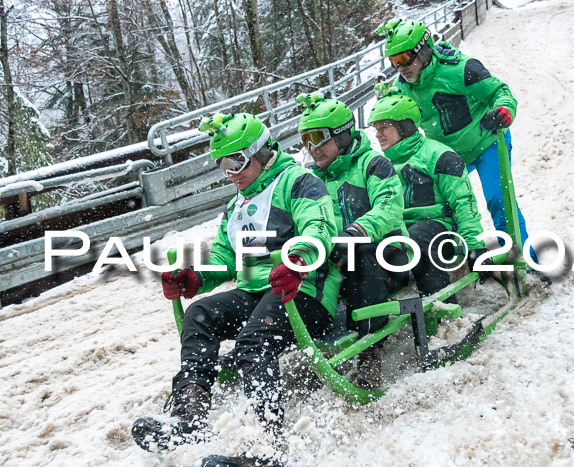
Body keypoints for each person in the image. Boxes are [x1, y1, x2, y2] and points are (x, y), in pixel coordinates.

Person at [131, 112, 341, 452]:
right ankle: (190, 417)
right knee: (200, 314)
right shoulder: (235, 207)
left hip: (303, 293)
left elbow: (319, 229)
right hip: (256, 293)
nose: (230, 174)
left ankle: (269, 439)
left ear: (260, 152)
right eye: (221, 166)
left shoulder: (298, 182)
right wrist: (195, 276)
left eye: (236, 162)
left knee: (252, 340)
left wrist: (297, 260)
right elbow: (224, 260)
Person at [376, 19, 538, 262]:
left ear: (424, 49)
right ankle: (456, 257)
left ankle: (527, 261)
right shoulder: (401, 89)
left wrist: (504, 109)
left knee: (498, 200)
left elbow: (499, 91)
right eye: (394, 62)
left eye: (405, 58)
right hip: (446, 157)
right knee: (442, 208)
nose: (401, 68)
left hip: (486, 144)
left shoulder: (462, 69)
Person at [295, 93, 410, 389]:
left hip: (389, 254)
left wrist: (355, 233)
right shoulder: (312, 180)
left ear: (342, 136)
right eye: (305, 140)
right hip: (339, 261)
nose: (312, 148)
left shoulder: (373, 164)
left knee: (362, 255)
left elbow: (388, 206)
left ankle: (371, 350)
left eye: (318, 138)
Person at [368, 87, 493, 299]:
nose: (377, 134)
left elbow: (464, 203)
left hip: (440, 229)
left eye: (384, 127)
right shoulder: (382, 166)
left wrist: (474, 247)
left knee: (416, 239)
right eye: (375, 128)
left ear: (404, 126)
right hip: (400, 230)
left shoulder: (439, 155)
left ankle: (443, 307)